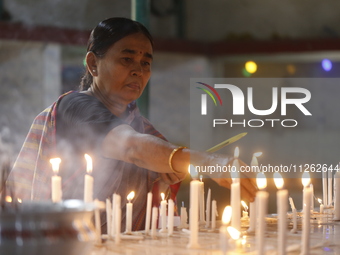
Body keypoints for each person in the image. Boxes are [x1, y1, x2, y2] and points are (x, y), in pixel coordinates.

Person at [7, 17, 256, 231]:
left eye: (145, 63)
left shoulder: (143, 128)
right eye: (127, 59)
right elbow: (131, 147)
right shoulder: (75, 107)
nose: (138, 70)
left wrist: (168, 171)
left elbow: (153, 160)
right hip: (63, 245)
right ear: (93, 64)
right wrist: (209, 161)